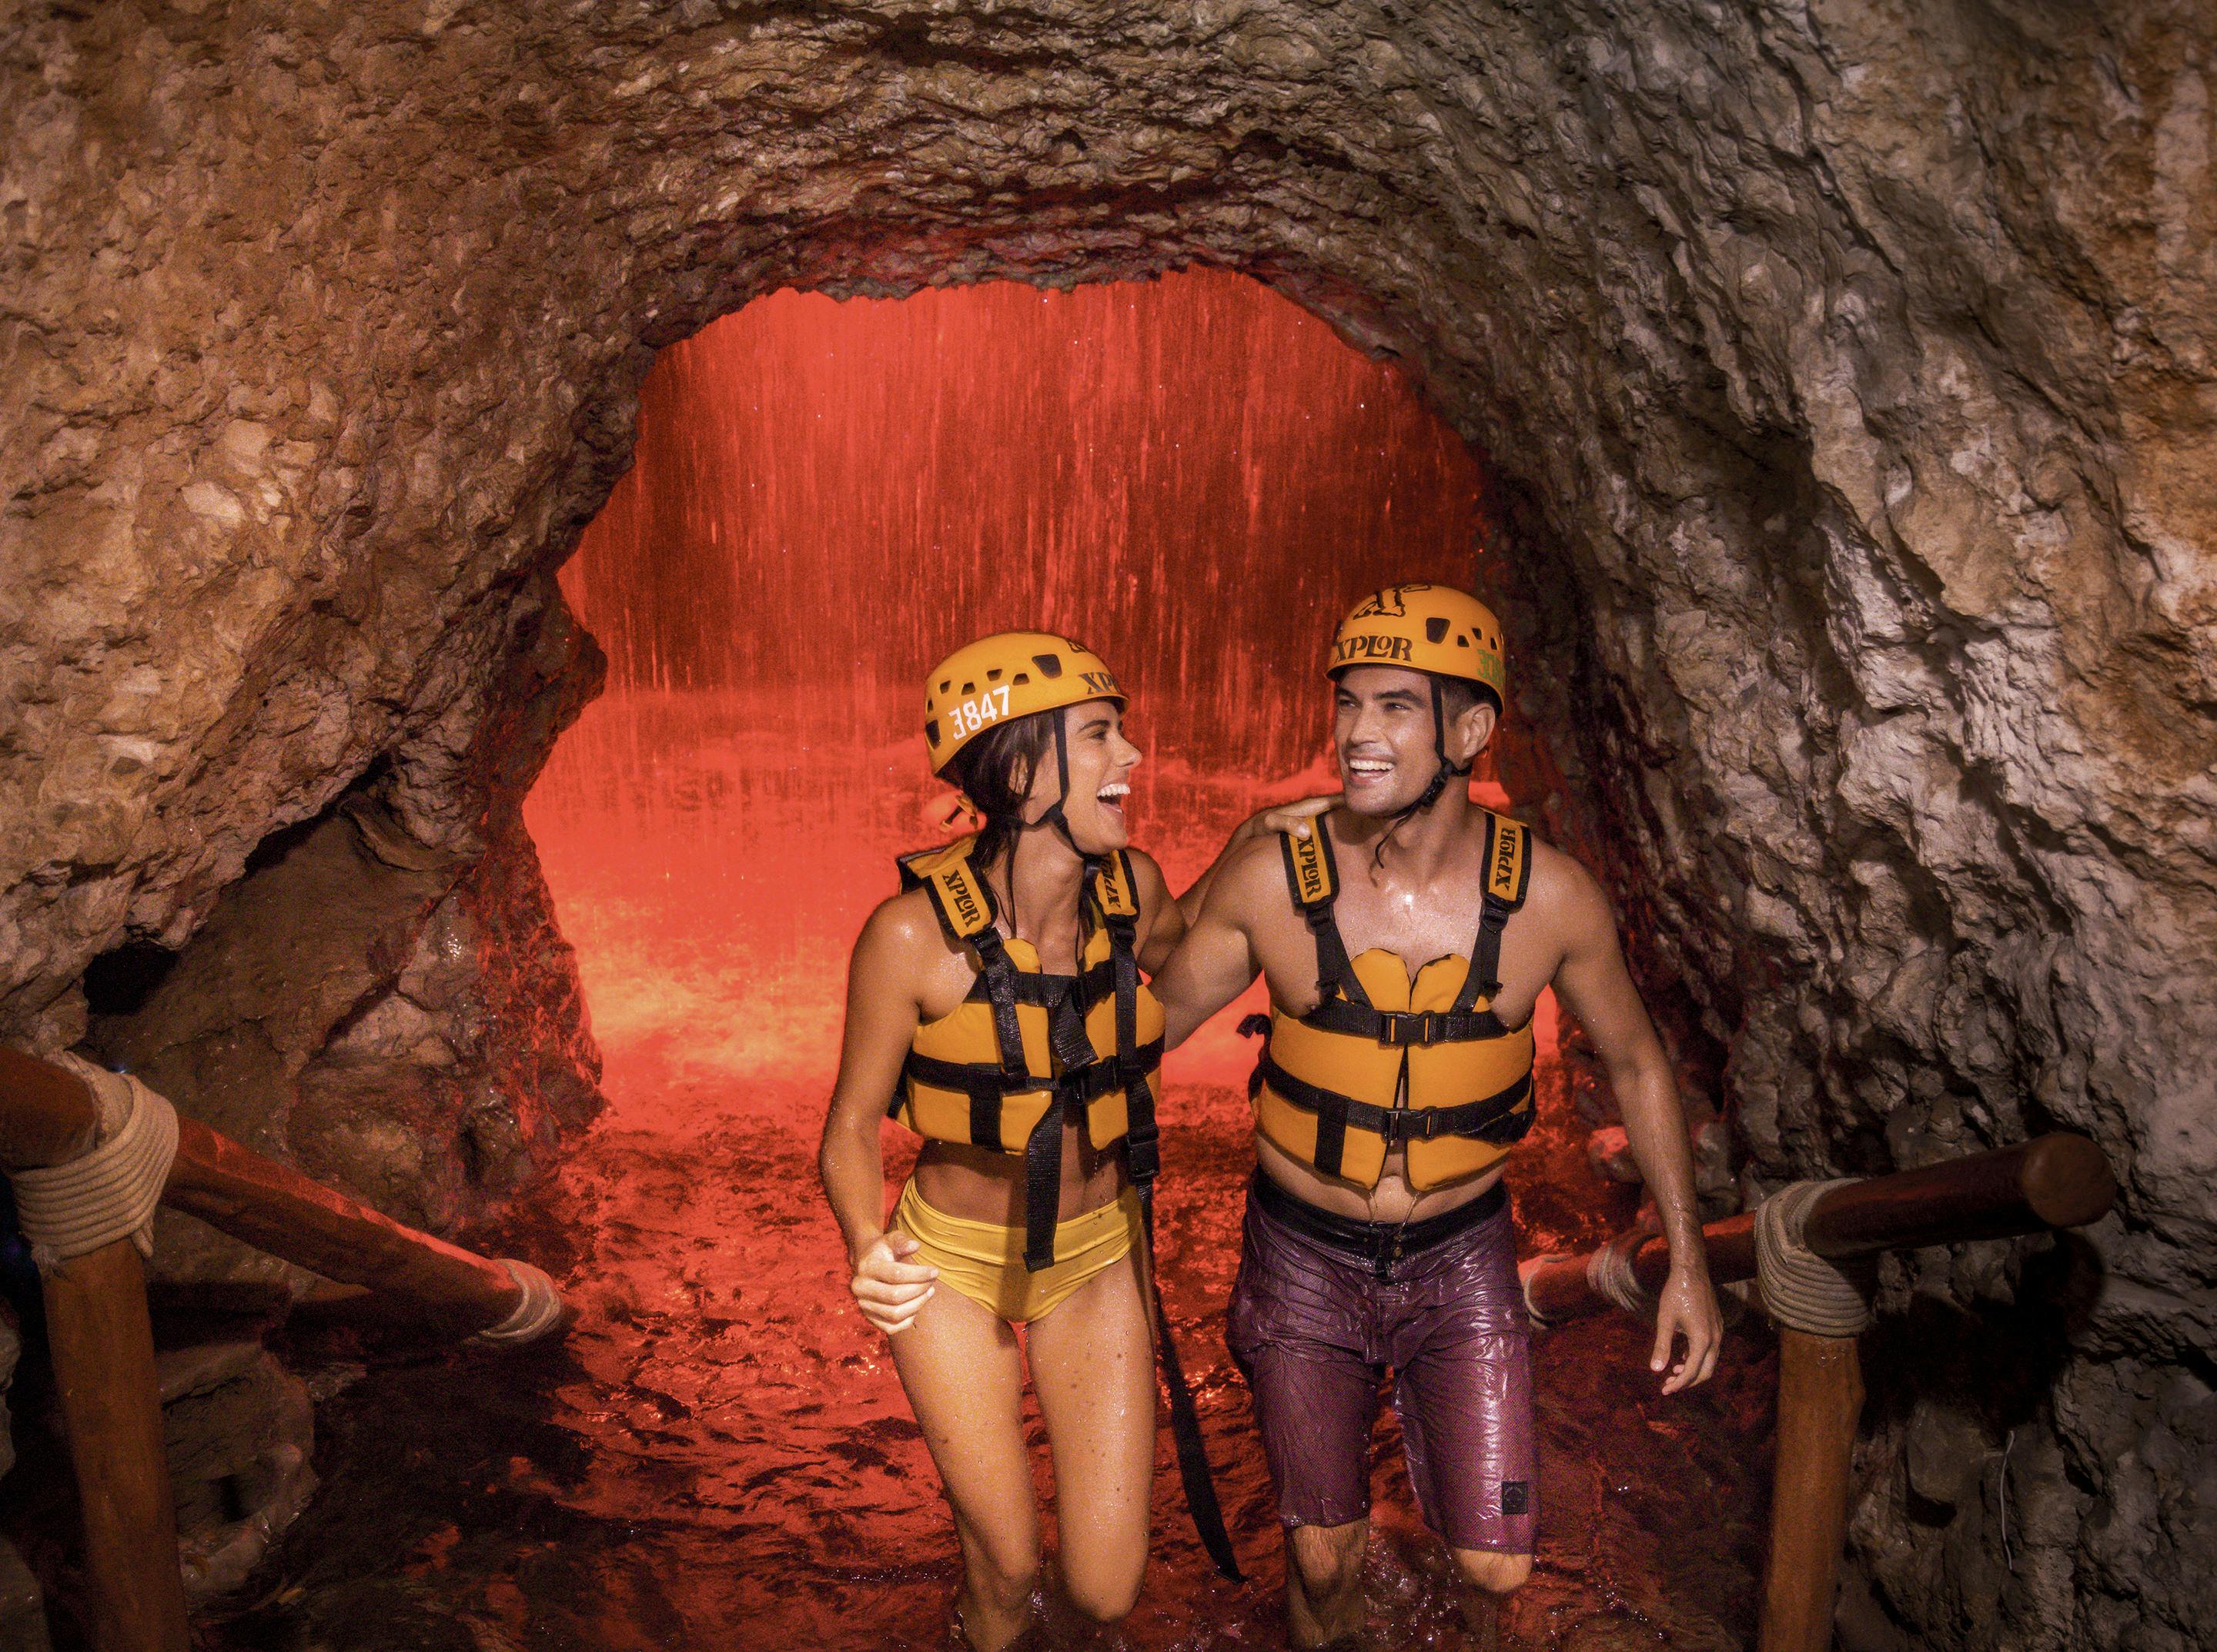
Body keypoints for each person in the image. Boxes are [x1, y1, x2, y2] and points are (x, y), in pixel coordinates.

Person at [1151, 584, 1723, 1648]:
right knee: (1325, 1559)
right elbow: (1149, 1016)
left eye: (1398, 707)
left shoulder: (1551, 896)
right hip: (1303, 1255)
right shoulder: (1275, 877)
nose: (1358, 734)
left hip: (1461, 1255)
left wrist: (1685, 1257)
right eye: (1349, 703)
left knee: (1497, 1565)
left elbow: (1640, 1063)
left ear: (1470, 730)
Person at [818, 630, 1308, 1649]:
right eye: (1100, 735)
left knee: (1104, 1592)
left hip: (1096, 1260)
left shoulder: (1132, 889)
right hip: (947, 1270)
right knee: (1005, 1570)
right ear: (1024, 767)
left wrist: (1260, 838)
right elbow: (851, 1128)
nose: (1131, 757)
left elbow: (1196, 955)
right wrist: (867, 1242)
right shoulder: (908, 936)